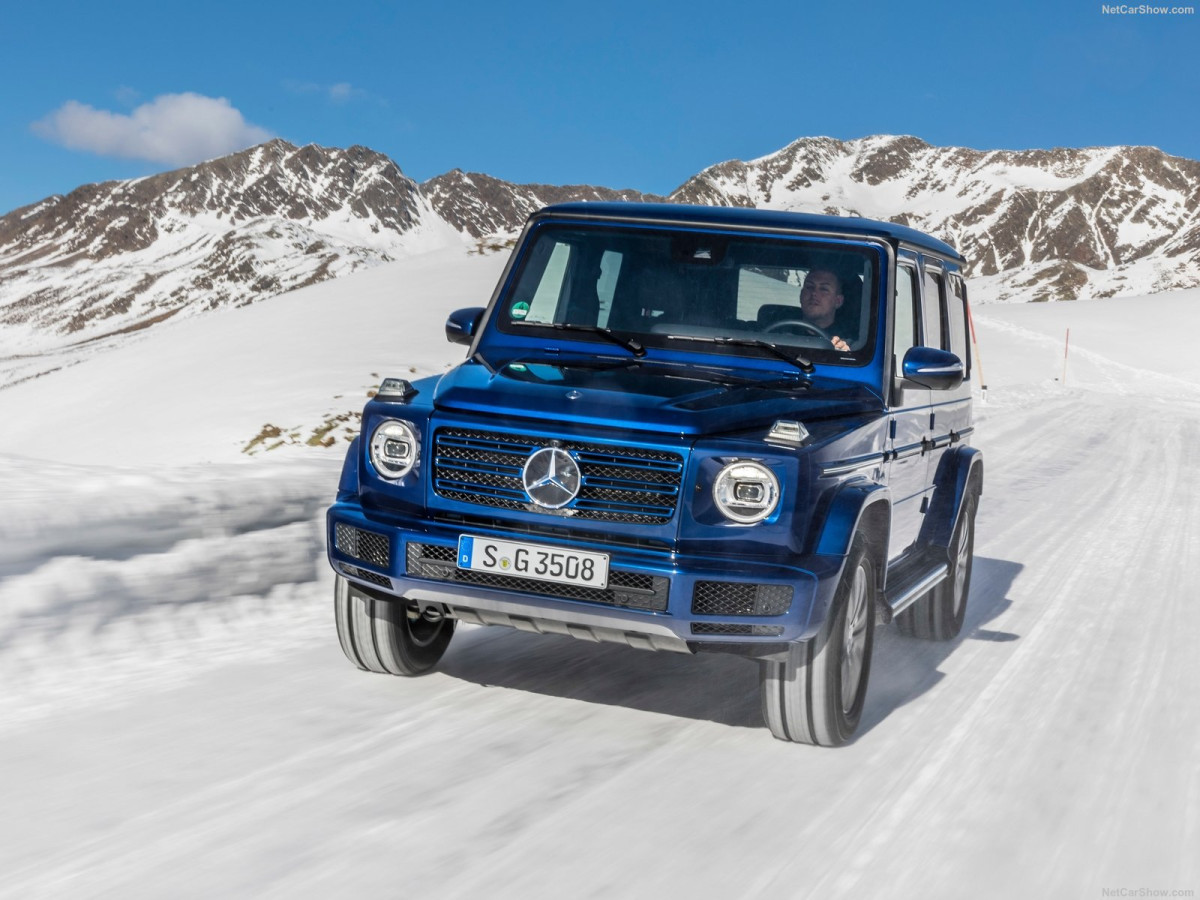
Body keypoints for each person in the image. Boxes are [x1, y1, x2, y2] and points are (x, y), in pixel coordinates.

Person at [798, 268, 851, 351]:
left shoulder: (848, 340)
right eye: (809, 287)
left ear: (838, 301)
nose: (814, 293)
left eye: (824, 289)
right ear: (801, 296)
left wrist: (845, 354)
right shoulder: (779, 331)